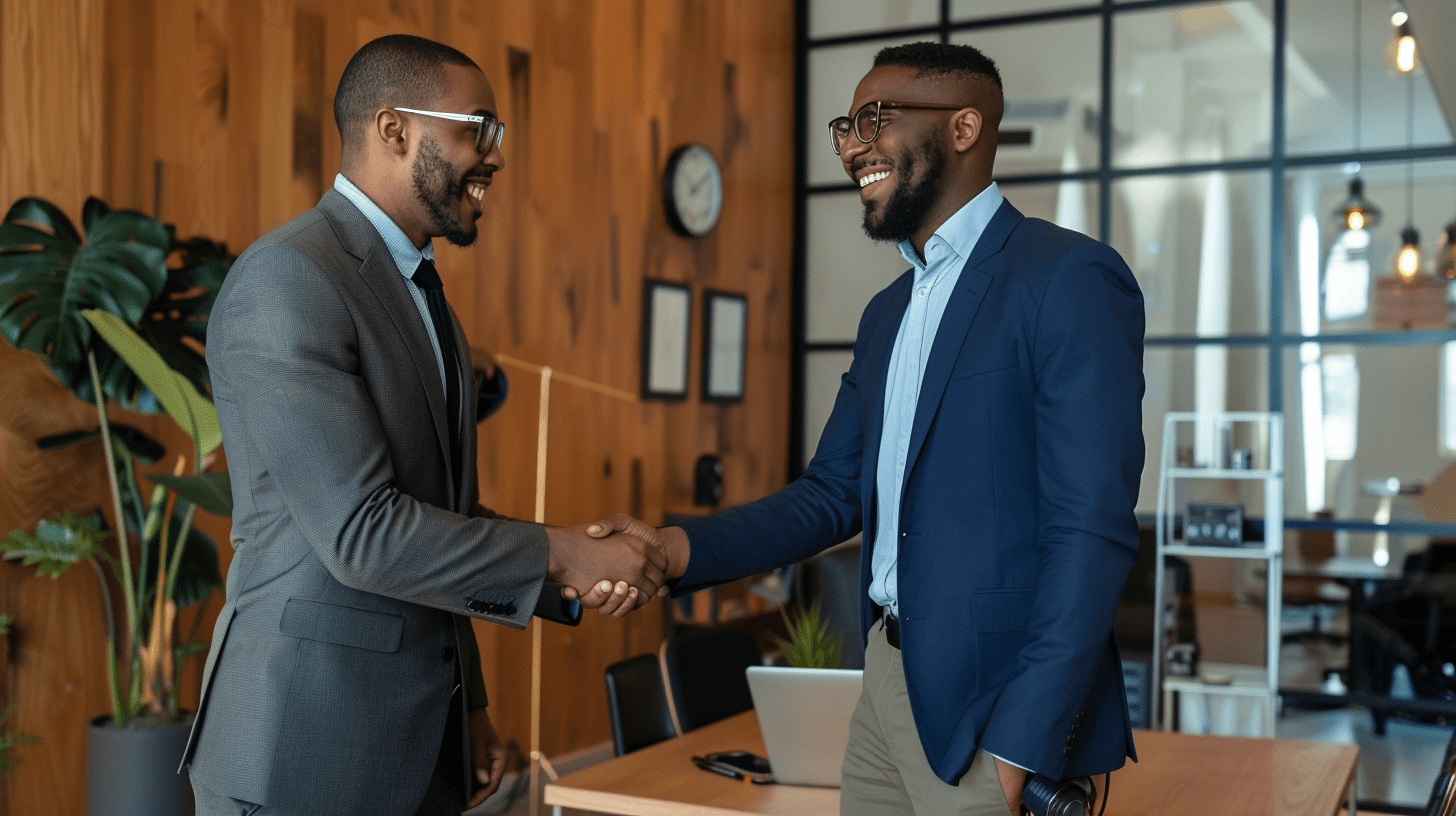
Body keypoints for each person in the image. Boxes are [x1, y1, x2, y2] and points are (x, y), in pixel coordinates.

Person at [590, 41, 1146, 815]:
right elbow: (831, 492)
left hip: (996, 702)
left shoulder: (1068, 279)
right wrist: (674, 547)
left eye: (874, 119)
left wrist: (1023, 744)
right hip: (885, 677)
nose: (853, 145)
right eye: (845, 125)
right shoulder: (887, 314)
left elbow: (1092, 530)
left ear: (963, 128)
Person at [182, 34, 664, 816]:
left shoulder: (422, 291)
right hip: (302, 746)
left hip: (420, 740)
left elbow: (437, 522)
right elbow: (365, 533)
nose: (495, 156)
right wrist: (563, 555)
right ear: (394, 128)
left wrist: (467, 703)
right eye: (479, 128)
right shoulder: (290, 278)